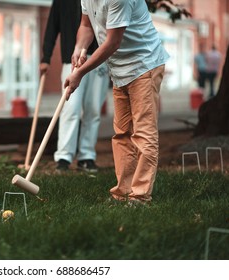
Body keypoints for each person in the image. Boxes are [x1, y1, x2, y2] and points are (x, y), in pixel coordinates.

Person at [64, 0, 169, 203]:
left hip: (144, 64)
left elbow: (113, 42)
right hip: (120, 69)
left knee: (143, 133)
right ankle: (123, 192)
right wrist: (79, 47)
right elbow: (86, 25)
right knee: (122, 133)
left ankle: (140, 196)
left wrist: (80, 73)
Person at [40, 0, 109, 173]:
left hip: (99, 59)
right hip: (71, 59)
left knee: (93, 109)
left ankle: (86, 156)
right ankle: (64, 157)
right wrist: (46, 57)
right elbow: (51, 27)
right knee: (70, 107)